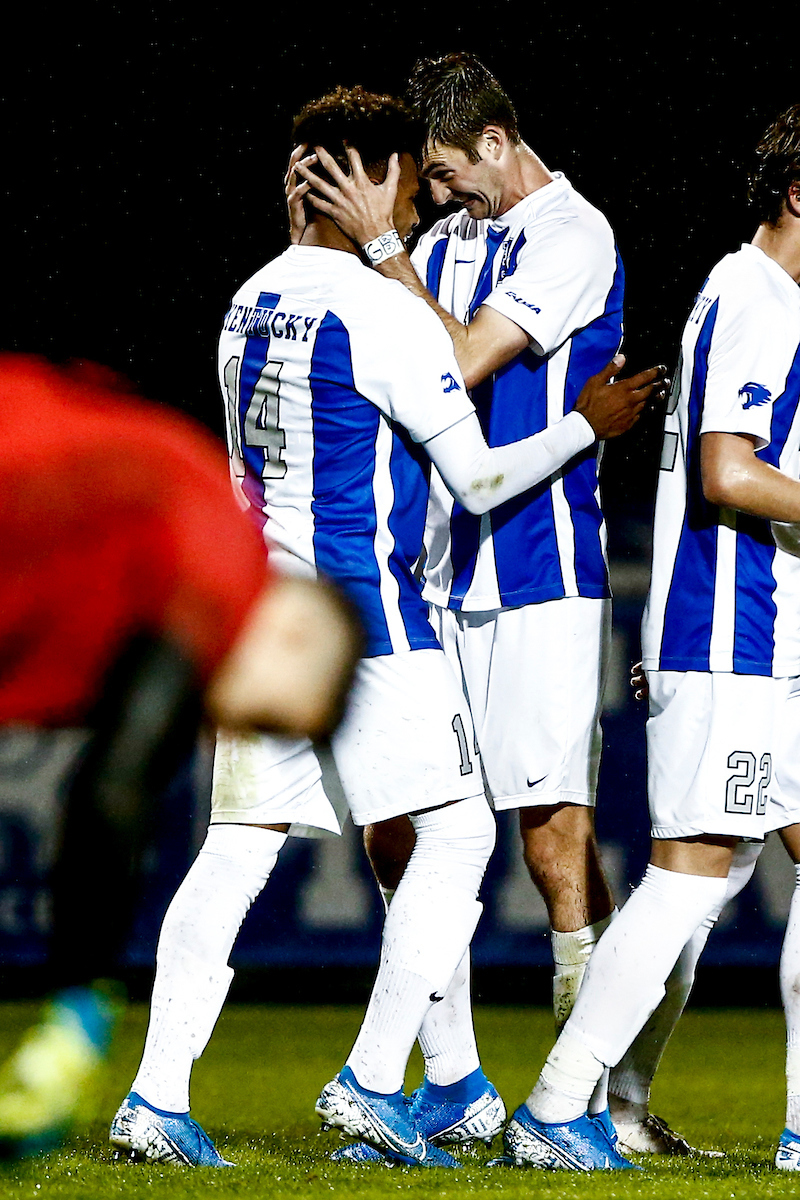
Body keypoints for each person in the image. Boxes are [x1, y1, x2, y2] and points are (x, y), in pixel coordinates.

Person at [109, 84, 662, 1170]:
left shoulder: (247, 300)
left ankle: (157, 1098)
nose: (417, 202)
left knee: (235, 848)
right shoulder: (382, 314)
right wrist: (582, 428)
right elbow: (478, 475)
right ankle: (371, 1079)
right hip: (367, 617)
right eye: (408, 178)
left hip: (261, 612)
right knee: (458, 835)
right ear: (370, 177)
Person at [292, 50, 667, 1150]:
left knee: (554, 843)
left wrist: (383, 251)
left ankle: (589, 1102)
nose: (443, 192)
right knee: (400, 830)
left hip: (541, 574)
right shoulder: (450, 237)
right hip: (433, 578)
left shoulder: (571, 236)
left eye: (452, 170)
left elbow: (451, 364)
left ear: (496, 143)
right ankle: (454, 1083)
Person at [493, 101, 800, 1171]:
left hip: (751, 638)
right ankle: (559, 1106)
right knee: (686, 878)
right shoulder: (756, 297)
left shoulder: (756, 293)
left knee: (703, 882)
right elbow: (727, 470)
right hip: (733, 635)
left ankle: (637, 1108)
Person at [0, 353, 362, 1160]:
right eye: (266, 716)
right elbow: (110, 792)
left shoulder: (175, 507)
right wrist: (80, 1011)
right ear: (292, 633)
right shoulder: (221, 570)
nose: (221, 727)